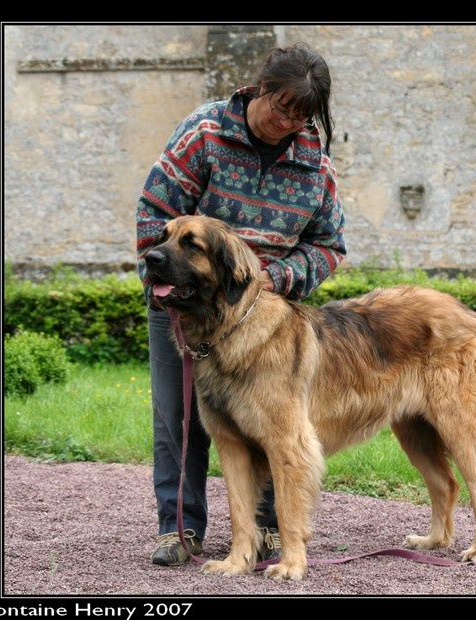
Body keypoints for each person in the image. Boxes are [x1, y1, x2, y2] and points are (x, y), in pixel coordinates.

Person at [135, 42, 347, 567]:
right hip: (188, 306)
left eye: (300, 115)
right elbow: (153, 217)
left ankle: (271, 532)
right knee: (178, 418)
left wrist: (276, 277)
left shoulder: (314, 162)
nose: (286, 122)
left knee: (274, 423)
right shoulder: (205, 132)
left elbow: (329, 246)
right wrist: (166, 281)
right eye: (281, 106)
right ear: (261, 88)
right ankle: (179, 529)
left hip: (267, 314)